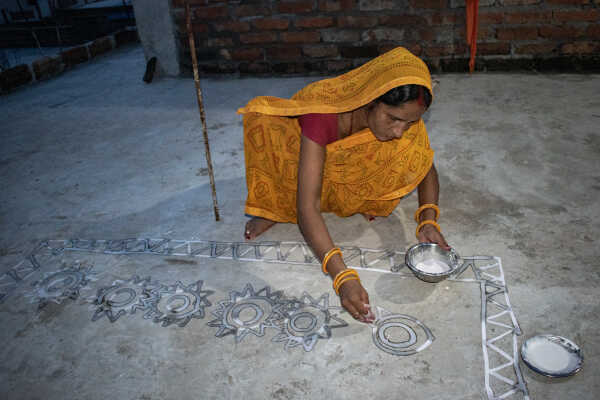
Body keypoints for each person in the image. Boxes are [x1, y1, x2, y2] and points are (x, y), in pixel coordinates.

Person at [237, 47, 450, 321]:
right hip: (300, 163)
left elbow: (425, 166)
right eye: (393, 119)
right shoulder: (323, 115)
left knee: (404, 152)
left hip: (335, 173)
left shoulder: (403, 122)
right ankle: (277, 207)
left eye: (409, 123)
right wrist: (342, 275)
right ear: (369, 100)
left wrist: (428, 220)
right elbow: (308, 209)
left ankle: (356, 196)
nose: (399, 131)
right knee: (295, 184)